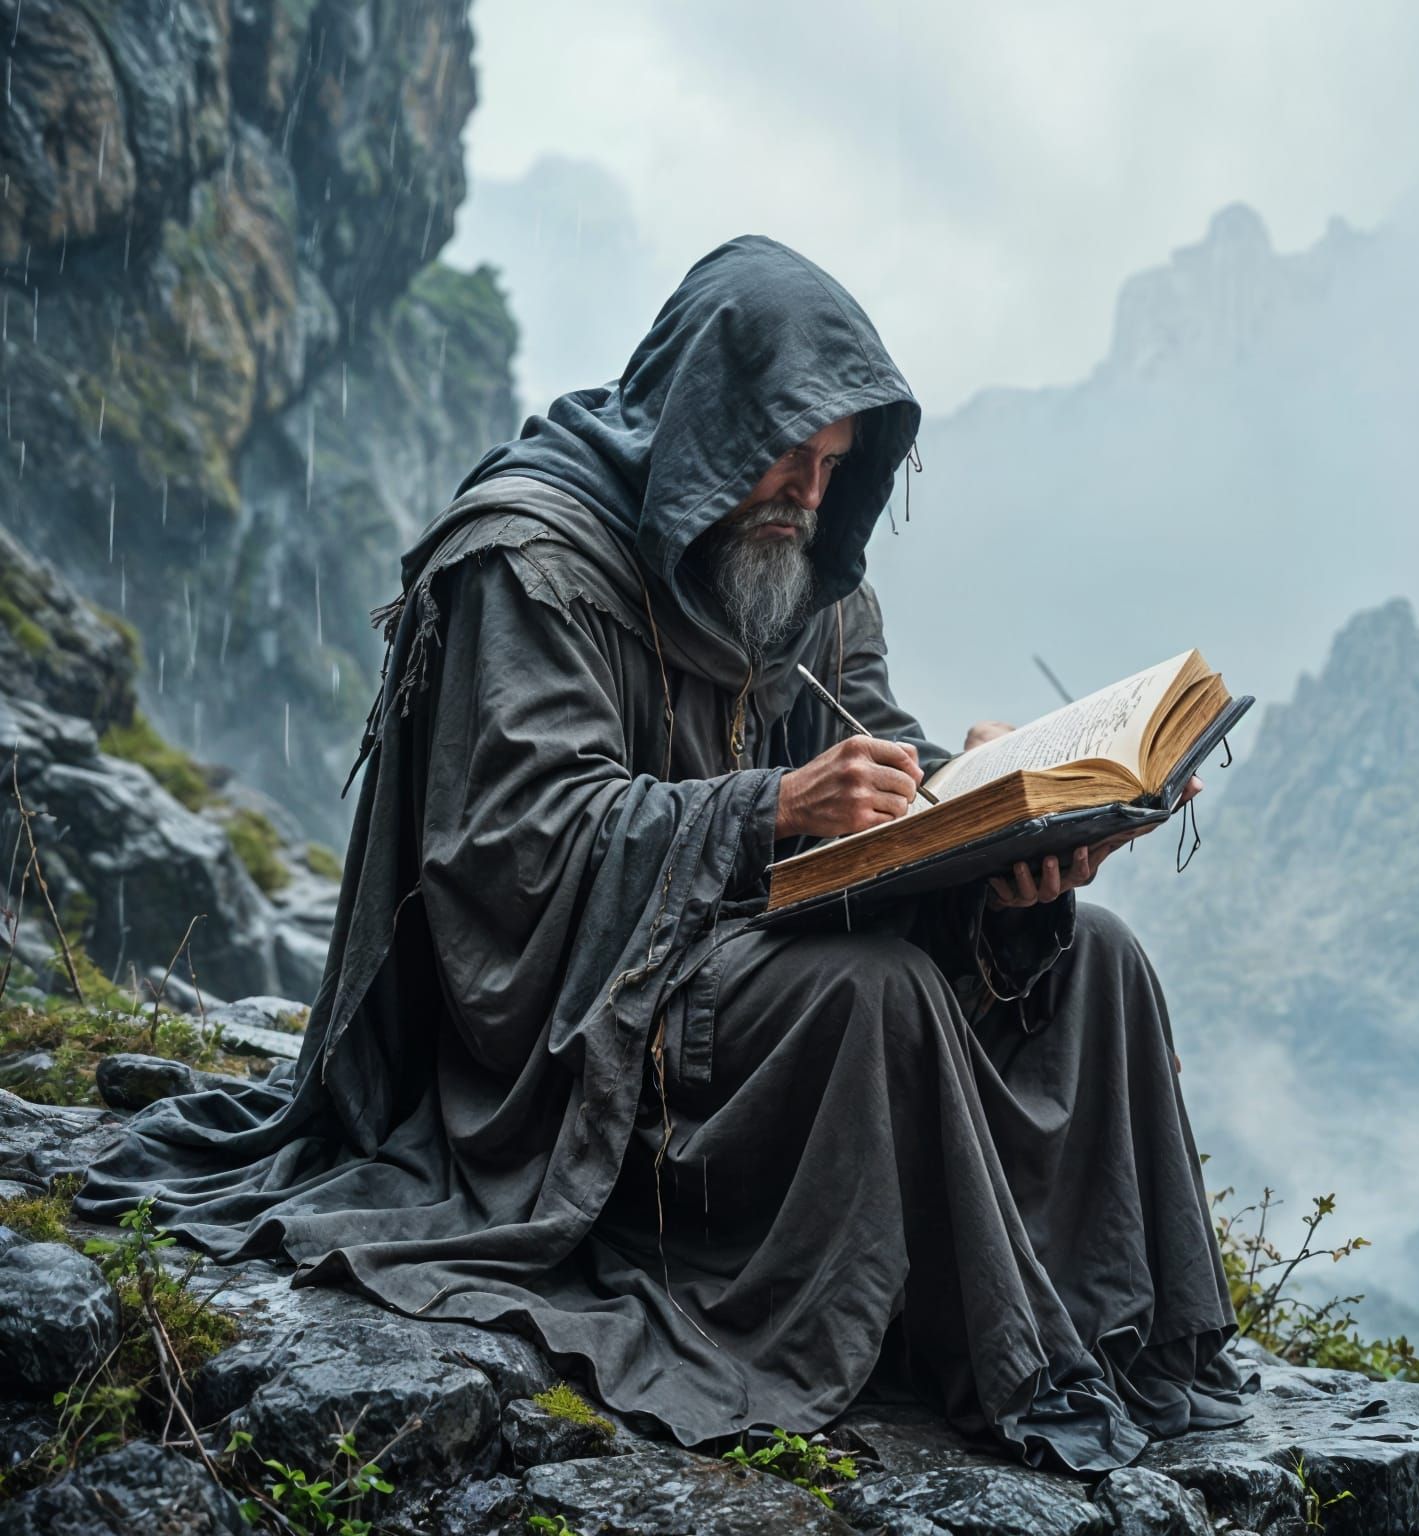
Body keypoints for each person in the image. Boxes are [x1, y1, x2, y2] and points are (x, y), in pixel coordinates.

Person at [80, 235, 1250, 1472]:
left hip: (740, 962)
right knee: (874, 994)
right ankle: (964, 1337)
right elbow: (512, 848)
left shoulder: (809, 578)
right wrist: (770, 810)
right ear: (709, 422)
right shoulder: (530, 559)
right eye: (787, 454)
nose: (808, 491)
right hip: (578, 1035)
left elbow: (869, 757)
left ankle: (1095, 1327)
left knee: (1096, 959)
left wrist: (992, 818)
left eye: (833, 465)